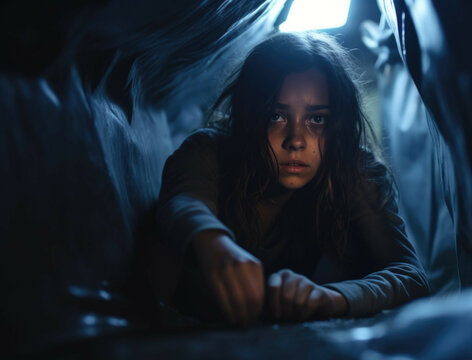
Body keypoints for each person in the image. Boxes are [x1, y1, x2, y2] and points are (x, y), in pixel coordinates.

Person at [156, 32, 429, 327]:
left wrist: (330, 298)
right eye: (277, 116)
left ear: (337, 125)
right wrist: (212, 241)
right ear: (250, 116)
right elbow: (184, 200)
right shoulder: (209, 150)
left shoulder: (353, 170)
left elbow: (410, 275)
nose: (296, 140)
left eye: (317, 119)